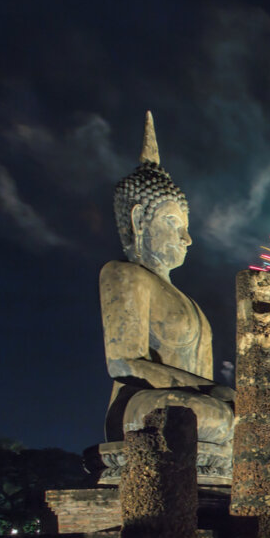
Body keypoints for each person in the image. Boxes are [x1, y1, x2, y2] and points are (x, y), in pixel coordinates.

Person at [98, 113, 234, 479]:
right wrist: (214, 391)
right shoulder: (125, 275)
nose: (186, 239)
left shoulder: (191, 304)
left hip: (196, 403)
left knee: (255, 420)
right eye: (174, 224)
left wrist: (219, 393)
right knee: (196, 413)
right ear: (140, 219)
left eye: (186, 227)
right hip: (141, 404)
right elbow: (124, 362)